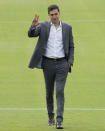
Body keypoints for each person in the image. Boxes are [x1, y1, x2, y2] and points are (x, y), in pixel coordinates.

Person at [28, 4, 74, 129]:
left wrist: (70, 61)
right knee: (49, 93)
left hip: (62, 64)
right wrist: (33, 26)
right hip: (47, 64)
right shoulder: (43, 26)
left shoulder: (67, 28)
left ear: (59, 13)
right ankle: (50, 117)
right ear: (49, 15)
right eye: (52, 14)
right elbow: (31, 34)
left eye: (56, 14)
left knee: (59, 91)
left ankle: (59, 120)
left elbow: (71, 46)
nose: (54, 16)